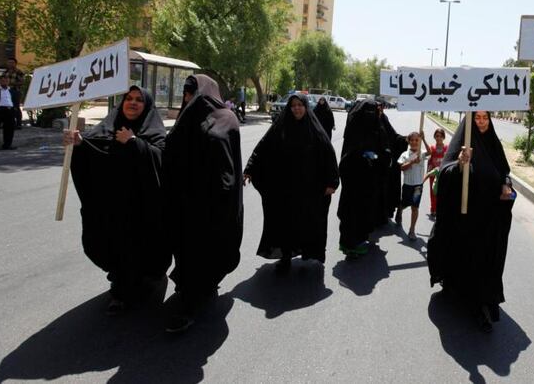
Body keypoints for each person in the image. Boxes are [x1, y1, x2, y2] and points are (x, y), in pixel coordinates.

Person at [65, 85, 171, 315]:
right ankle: (123, 283)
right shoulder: (107, 127)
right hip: (112, 207)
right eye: (128, 98)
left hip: (141, 209)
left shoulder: (153, 130)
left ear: (147, 106)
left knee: (139, 250)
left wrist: (135, 143)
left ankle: (125, 291)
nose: (132, 103)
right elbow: (94, 149)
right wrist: (78, 144)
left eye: (138, 100)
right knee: (111, 246)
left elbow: (160, 158)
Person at [163, 74, 243, 333]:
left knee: (206, 254)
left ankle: (190, 304)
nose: (189, 98)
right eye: (186, 93)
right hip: (184, 204)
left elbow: (228, 165)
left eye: (192, 92)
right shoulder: (185, 118)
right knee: (187, 255)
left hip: (212, 206)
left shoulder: (227, 118)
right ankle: (191, 294)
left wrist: (220, 195)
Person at [428, 111, 515, 333]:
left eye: (485, 117)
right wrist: (459, 164)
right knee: (465, 259)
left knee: (485, 261)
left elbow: (504, 170)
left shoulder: (494, 143)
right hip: (464, 219)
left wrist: (506, 184)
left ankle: (483, 305)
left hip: (489, 217)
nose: (482, 122)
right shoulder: (461, 144)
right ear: (470, 120)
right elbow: (445, 173)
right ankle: (462, 293)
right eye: (477, 118)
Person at [243, 94, 339, 271]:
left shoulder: (315, 129)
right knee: (284, 222)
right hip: (284, 187)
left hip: (309, 188)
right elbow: (263, 147)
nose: (296, 108)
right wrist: (249, 169)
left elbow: (328, 155)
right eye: (293, 105)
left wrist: (332, 182)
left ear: (305, 107)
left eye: (300, 105)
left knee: (307, 220)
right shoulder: (281, 127)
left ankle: (307, 251)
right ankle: (285, 256)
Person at [337, 99, 392, 257]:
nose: (371, 115)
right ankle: (350, 246)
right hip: (353, 182)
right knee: (351, 213)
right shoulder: (355, 132)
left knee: (364, 211)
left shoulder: (377, 128)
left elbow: (385, 151)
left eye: (372, 112)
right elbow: (346, 157)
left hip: (369, 181)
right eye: (367, 112)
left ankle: (358, 242)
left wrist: (377, 157)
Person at [396, 132, 429, 240]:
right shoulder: (405, 154)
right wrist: (412, 162)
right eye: (412, 140)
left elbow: (430, 152)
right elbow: (401, 167)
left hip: (418, 186)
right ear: (409, 141)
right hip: (407, 185)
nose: (414, 142)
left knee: (415, 207)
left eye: (417, 140)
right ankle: (400, 210)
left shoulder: (422, 153)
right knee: (405, 204)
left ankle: (412, 230)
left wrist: (423, 139)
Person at [379, 105, 408, 224]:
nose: (379, 111)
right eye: (378, 109)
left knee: (389, 188)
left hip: (387, 164)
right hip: (374, 164)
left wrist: (405, 139)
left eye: (381, 109)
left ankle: (388, 213)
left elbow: (394, 136)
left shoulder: (384, 120)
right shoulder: (367, 123)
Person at [0, 75, 21, 150]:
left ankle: (7, 144)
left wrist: (15, 108)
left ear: (9, 82)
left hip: (10, 110)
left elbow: (16, 101)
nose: (5, 82)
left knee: (9, 128)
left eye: (6, 80)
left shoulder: (12, 90)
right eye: (3, 80)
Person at [423, 128, 447, 218]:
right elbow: (428, 152)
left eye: (440, 136)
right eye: (437, 136)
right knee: (433, 192)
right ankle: (433, 209)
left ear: (443, 137)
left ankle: (440, 209)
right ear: (434, 137)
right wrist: (423, 139)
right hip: (433, 174)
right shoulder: (432, 148)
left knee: (442, 193)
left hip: (443, 175)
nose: (439, 138)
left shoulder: (447, 148)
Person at [2, 58, 25, 129]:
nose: (10, 64)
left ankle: (18, 124)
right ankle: (9, 123)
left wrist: (11, 83)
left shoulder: (19, 72)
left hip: (15, 91)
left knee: (15, 107)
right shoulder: (5, 72)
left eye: (12, 62)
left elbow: (22, 82)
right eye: (9, 62)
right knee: (6, 107)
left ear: (15, 64)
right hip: (6, 91)